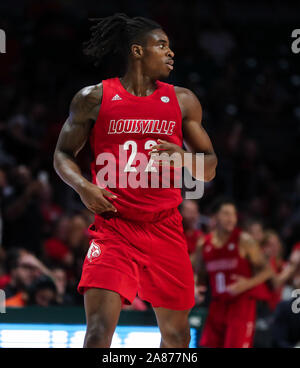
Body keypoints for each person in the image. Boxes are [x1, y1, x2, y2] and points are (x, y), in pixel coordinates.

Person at [53, 13, 217, 348]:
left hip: (165, 227)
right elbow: (62, 155)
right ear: (137, 51)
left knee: (177, 335)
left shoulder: (183, 100)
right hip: (115, 227)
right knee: (98, 332)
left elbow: (210, 166)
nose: (171, 53)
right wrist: (83, 186)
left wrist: (183, 158)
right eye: (162, 45)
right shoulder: (92, 98)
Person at [195, 198, 272, 348]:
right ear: (215, 217)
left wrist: (247, 283)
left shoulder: (244, 240)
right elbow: (200, 274)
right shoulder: (204, 243)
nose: (231, 218)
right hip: (217, 304)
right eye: (226, 214)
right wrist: (196, 288)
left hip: (241, 305)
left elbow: (268, 270)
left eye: (234, 214)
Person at [180, 199, 204, 269]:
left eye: (195, 212)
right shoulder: (174, 236)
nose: (193, 216)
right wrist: (198, 250)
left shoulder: (200, 236)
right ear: (179, 213)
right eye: (189, 212)